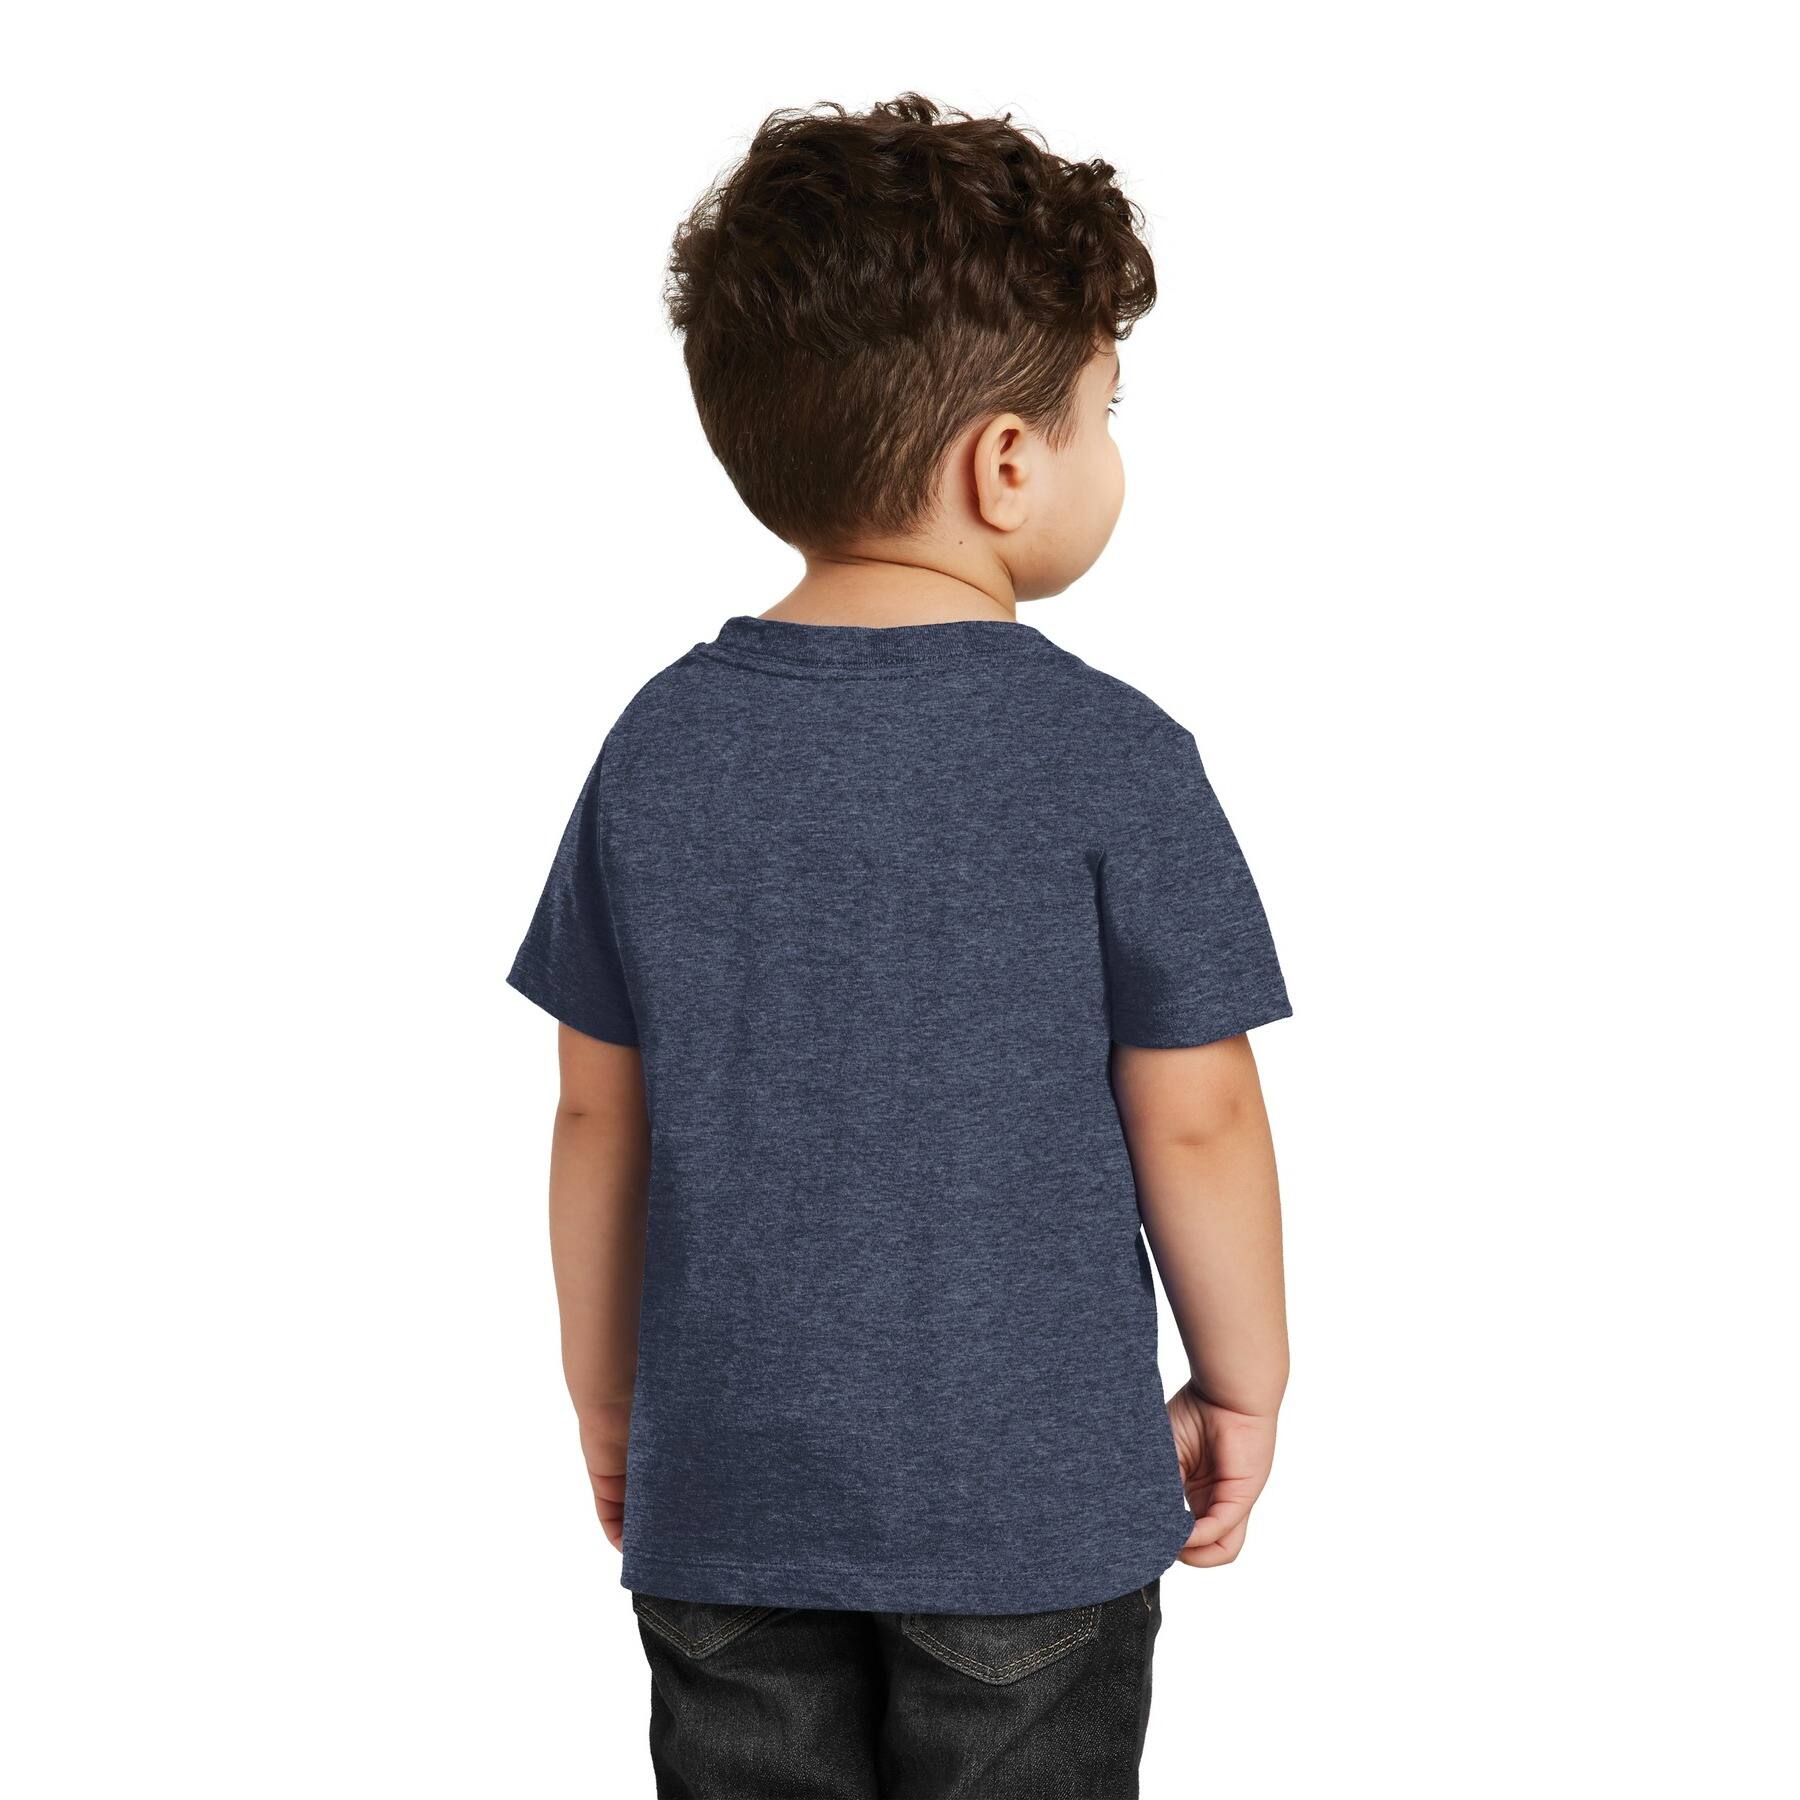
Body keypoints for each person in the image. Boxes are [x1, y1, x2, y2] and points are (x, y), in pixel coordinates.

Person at [508, 93, 1293, 1799]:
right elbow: (1201, 1116)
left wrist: (608, 1400)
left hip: (729, 1497)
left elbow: (595, 1116)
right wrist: (1244, 1380)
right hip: (1033, 1507)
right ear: (1006, 465)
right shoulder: (1113, 756)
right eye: (1103, 412)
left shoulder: (660, 747)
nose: (1110, 452)